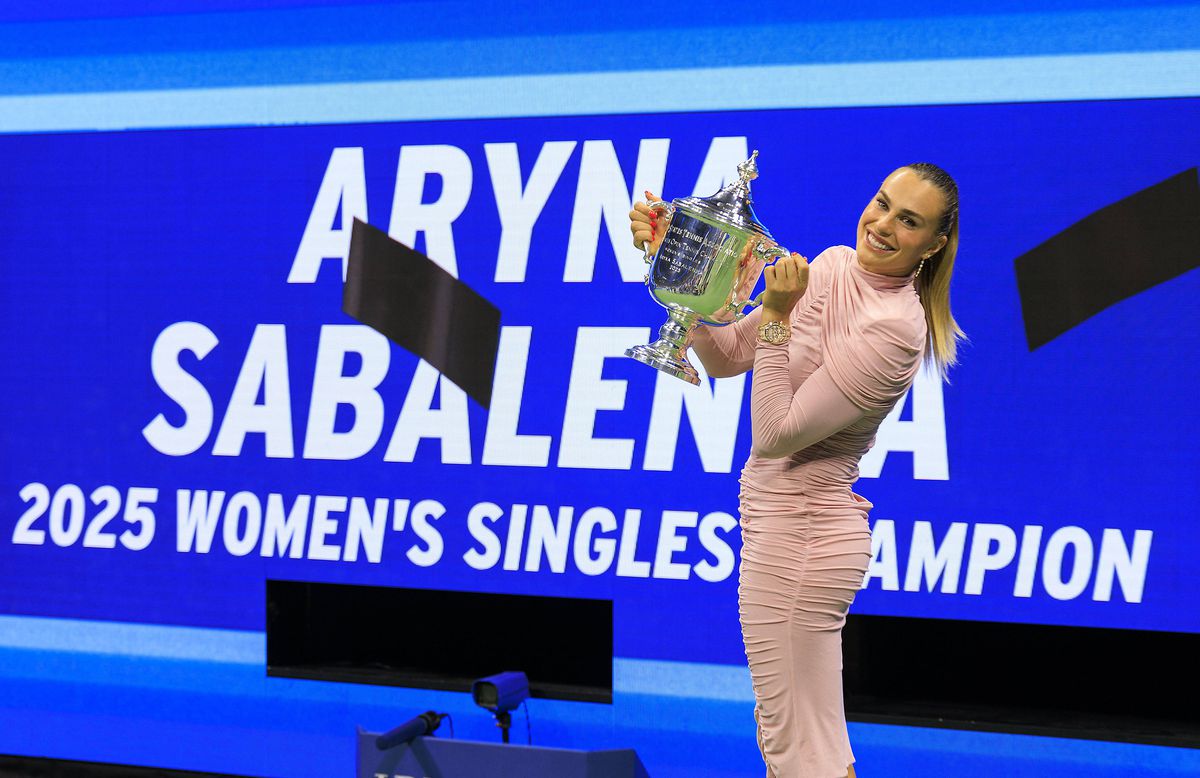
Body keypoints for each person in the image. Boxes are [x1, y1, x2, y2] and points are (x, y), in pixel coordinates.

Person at [628, 163, 963, 778]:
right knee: (799, 744)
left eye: (908, 221)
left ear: (933, 245)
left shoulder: (896, 330)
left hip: (804, 544)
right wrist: (681, 269)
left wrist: (779, 316)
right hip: (780, 533)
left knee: (799, 750)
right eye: (882, 203)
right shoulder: (832, 265)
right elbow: (730, 355)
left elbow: (775, 434)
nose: (883, 224)